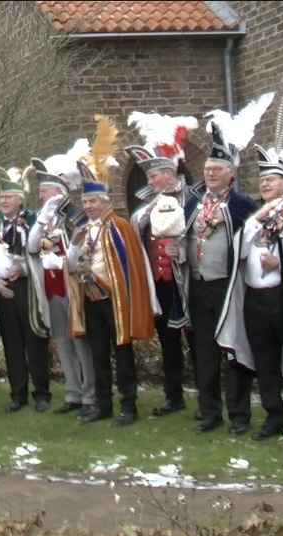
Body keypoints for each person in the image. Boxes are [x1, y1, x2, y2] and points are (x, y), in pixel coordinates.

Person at [217, 144, 283, 442]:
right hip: (255, 299)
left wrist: (281, 263)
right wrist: (256, 218)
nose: (265, 182)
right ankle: (274, 417)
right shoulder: (256, 216)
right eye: (263, 178)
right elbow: (238, 249)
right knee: (264, 362)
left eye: (273, 178)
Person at [182, 94, 273, 435]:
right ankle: (209, 413)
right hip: (199, 285)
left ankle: (239, 415)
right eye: (207, 170)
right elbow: (186, 236)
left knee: (233, 348)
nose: (210, 174)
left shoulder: (242, 205)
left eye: (217, 170)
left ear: (231, 173)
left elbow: (256, 240)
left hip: (228, 286)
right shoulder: (193, 203)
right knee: (204, 351)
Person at [66, 115, 159, 427]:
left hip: (115, 299)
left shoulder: (118, 225)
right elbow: (73, 262)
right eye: (85, 201)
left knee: (122, 354)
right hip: (91, 297)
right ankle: (102, 404)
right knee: (97, 355)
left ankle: (128, 406)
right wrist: (76, 248)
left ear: (105, 200)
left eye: (93, 200)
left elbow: (129, 265)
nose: (89, 206)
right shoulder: (82, 228)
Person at [125, 111, 202, 419]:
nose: (149, 180)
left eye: (154, 175)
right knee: (169, 342)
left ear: (169, 174)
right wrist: (153, 206)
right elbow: (135, 227)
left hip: (187, 281)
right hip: (160, 283)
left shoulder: (192, 199)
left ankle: (206, 395)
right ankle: (174, 396)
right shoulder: (147, 204)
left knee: (195, 341)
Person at [26, 141, 97, 417]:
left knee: (80, 341)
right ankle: (73, 392)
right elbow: (32, 247)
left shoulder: (75, 216)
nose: (41, 196)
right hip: (52, 286)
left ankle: (90, 394)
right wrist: (42, 220)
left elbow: (82, 250)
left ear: (58, 191)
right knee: (63, 342)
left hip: (74, 287)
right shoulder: (47, 217)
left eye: (45, 191)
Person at [0, 166, 51, 413]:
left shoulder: (33, 222)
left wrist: (23, 270)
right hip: (3, 291)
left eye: (8, 197)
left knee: (34, 341)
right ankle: (18, 394)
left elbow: (43, 252)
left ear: (20, 200)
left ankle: (42, 393)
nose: (3, 201)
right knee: (12, 344)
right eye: (1, 197)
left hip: (27, 288)